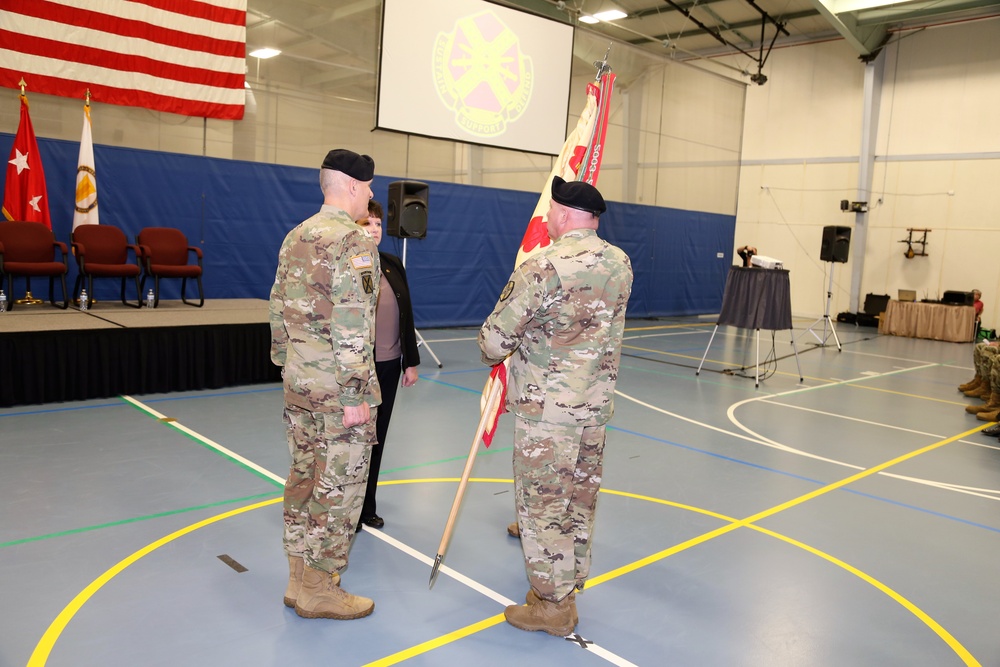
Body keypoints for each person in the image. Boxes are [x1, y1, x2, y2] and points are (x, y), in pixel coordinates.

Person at [478, 176, 633, 637]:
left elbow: (493, 340)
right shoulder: (619, 263)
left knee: (543, 506)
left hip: (548, 414)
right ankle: (568, 584)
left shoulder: (543, 266)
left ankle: (552, 606)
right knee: (579, 501)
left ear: (565, 215)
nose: (546, 217)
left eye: (551, 210)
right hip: (594, 408)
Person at [269, 148, 381, 621]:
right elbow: (353, 325)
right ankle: (320, 586)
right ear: (353, 187)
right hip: (338, 392)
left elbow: (277, 307)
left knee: (304, 476)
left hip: (300, 382)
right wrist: (355, 394)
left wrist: (286, 362)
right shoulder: (353, 243)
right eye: (369, 187)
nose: (372, 195)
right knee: (340, 486)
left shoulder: (296, 236)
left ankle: (297, 578)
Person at [355, 200, 420, 529]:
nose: (375, 231)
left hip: (390, 366)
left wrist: (411, 361)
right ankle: (347, 510)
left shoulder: (393, 264)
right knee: (355, 442)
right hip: (358, 371)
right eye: (368, 224)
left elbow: (405, 318)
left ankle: (367, 506)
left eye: (378, 225)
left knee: (377, 438)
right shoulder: (349, 266)